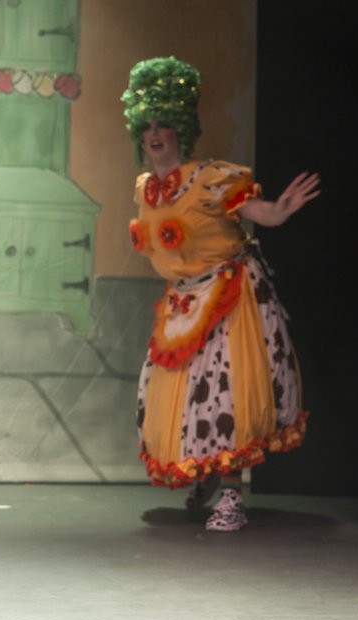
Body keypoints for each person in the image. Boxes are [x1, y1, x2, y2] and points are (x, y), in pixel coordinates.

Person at [121, 57, 319, 531]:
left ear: (181, 129)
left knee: (224, 396)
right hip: (183, 302)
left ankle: (232, 496)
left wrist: (280, 210)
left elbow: (260, 213)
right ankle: (206, 471)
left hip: (230, 295)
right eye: (147, 125)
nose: (155, 133)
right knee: (182, 396)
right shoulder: (146, 189)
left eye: (164, 124)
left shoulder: (210, 177)